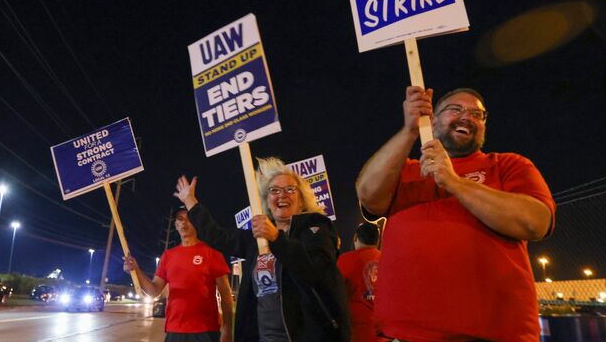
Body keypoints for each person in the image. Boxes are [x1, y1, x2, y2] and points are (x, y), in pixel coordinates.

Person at [356, 86, 556, 341]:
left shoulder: (508, 165)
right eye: (456, 109)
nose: (467, 117)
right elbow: (369, 196)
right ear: (433, 119)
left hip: (494, 334)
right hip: (404, 335)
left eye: (477, 114)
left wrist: (453, 181)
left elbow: (534, 222)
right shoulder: (403, 170)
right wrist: (409, 130)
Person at [174, 157, 352, 342]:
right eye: (274, 190)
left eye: (290, 189)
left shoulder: (317, 228)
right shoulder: (257, 238)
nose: (281, 195)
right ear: (267, 201)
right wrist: (190, 202)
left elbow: (315, 270)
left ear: (301, 199)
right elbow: (218, 236)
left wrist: (276, 238)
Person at [124, 208, 233, 342]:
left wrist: (227, 329)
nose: (183, 223)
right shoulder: (168, 256)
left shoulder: (212, 253)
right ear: (175, 225)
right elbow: (154, 291)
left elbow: (225, 294)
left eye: (188, 219)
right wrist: (135, 270)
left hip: (205, 331)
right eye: (180, 219)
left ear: (197, 223)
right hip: (174, 331)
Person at [336, 222, 390, 342]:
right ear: (377, 240)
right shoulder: (387, 259)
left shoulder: (345, 260)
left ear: (355, 238)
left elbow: (336, 293)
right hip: (383, 331)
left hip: (357, 331)